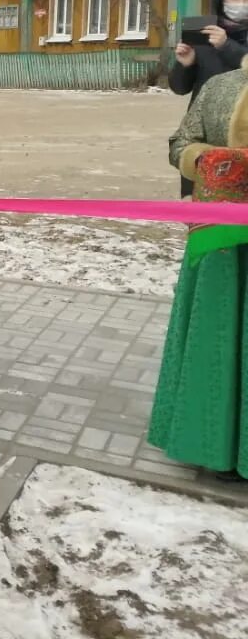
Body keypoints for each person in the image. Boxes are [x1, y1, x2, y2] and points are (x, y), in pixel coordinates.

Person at [153, 56, 248, 482]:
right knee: (218, 335)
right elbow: (180, 144)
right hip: (221, 242)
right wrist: (211, 160)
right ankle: (211, 442)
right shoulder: (221, 85)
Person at [172, 0, 248, 197]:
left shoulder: (222, 41)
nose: (241, 4)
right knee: (206, 217)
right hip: (205, 140)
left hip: (243, 141)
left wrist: (227, 47)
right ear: (221, 0)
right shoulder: (203, 36)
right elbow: (179, 88)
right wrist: (185, 65)